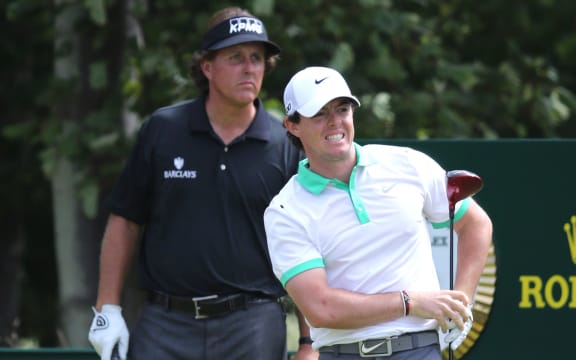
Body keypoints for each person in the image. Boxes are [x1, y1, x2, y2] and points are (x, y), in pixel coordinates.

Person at [88, 7, 317, 360]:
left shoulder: (284, 143)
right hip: (165, 322)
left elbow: (304, 242)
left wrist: (307, 342)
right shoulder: (163, 130)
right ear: (207, 67)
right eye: (236, 57)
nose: (249, 68)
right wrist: (108, 308)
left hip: (253, 323)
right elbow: (125, 219)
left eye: (257, 58)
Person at [263, 66, 493, 359]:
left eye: (342, 109)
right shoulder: (286, 211)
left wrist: (461, 301)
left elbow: (475, 224)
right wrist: (409, 302)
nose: (335, 122)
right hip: (343, 353)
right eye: (320, 113)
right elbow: (320, 308)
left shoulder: (407, 164)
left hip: (419, 350)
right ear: (293, 126)